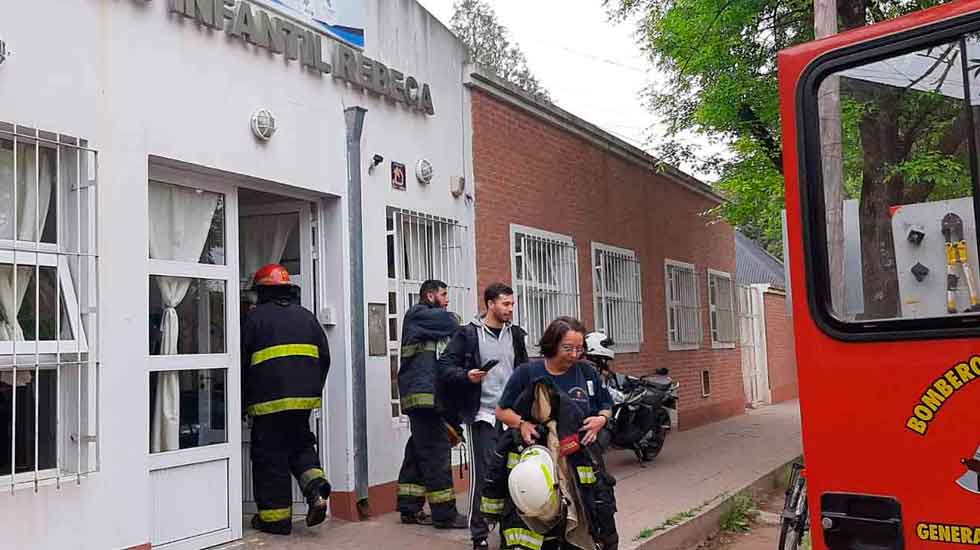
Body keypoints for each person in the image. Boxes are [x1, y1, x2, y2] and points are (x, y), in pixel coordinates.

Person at [494, 317, 619, 549]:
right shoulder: (527, 373)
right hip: (540, 463)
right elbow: (502, 411)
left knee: (592, 516)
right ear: (552, 344)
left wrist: (601, 420)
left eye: (579, 349)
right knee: (542, 517)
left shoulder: (587, 372)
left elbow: (606, 405)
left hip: (580, 463)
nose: (574, 355)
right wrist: (522, 423)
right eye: (568, 348)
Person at [242, 264, 332, 536]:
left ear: (262, 291)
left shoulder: (255, 319)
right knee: (300, 445)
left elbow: (241, 363)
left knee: (271, 458)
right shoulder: (307, 317)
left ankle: (275, 520)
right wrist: (312, 390)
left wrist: (242, 401)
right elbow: (324, 358)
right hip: (303, 401)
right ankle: (316, 490)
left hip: (268, 403)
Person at [440, 283, 529, 549]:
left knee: (515, 473)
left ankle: (509, 531)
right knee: (487, 475)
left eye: (512, 304)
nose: (510, 309)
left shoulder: (515, 334)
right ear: (490, 304)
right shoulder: (468, 334)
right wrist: (467, 376)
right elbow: (445, 367)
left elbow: (523, 370)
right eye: (505, 304)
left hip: (512, 416)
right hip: (482, 415)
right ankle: (479, 534)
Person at [396, 280, 469, 529]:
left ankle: (409, 506)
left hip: (427, 398)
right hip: (422, 397)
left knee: (419, 449)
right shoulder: (418, 314)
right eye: (444, 294)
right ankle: (444, 514)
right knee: (437, 452)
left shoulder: (426, 322)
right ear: (429, 296)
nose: (447, 299)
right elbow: (452, 323)